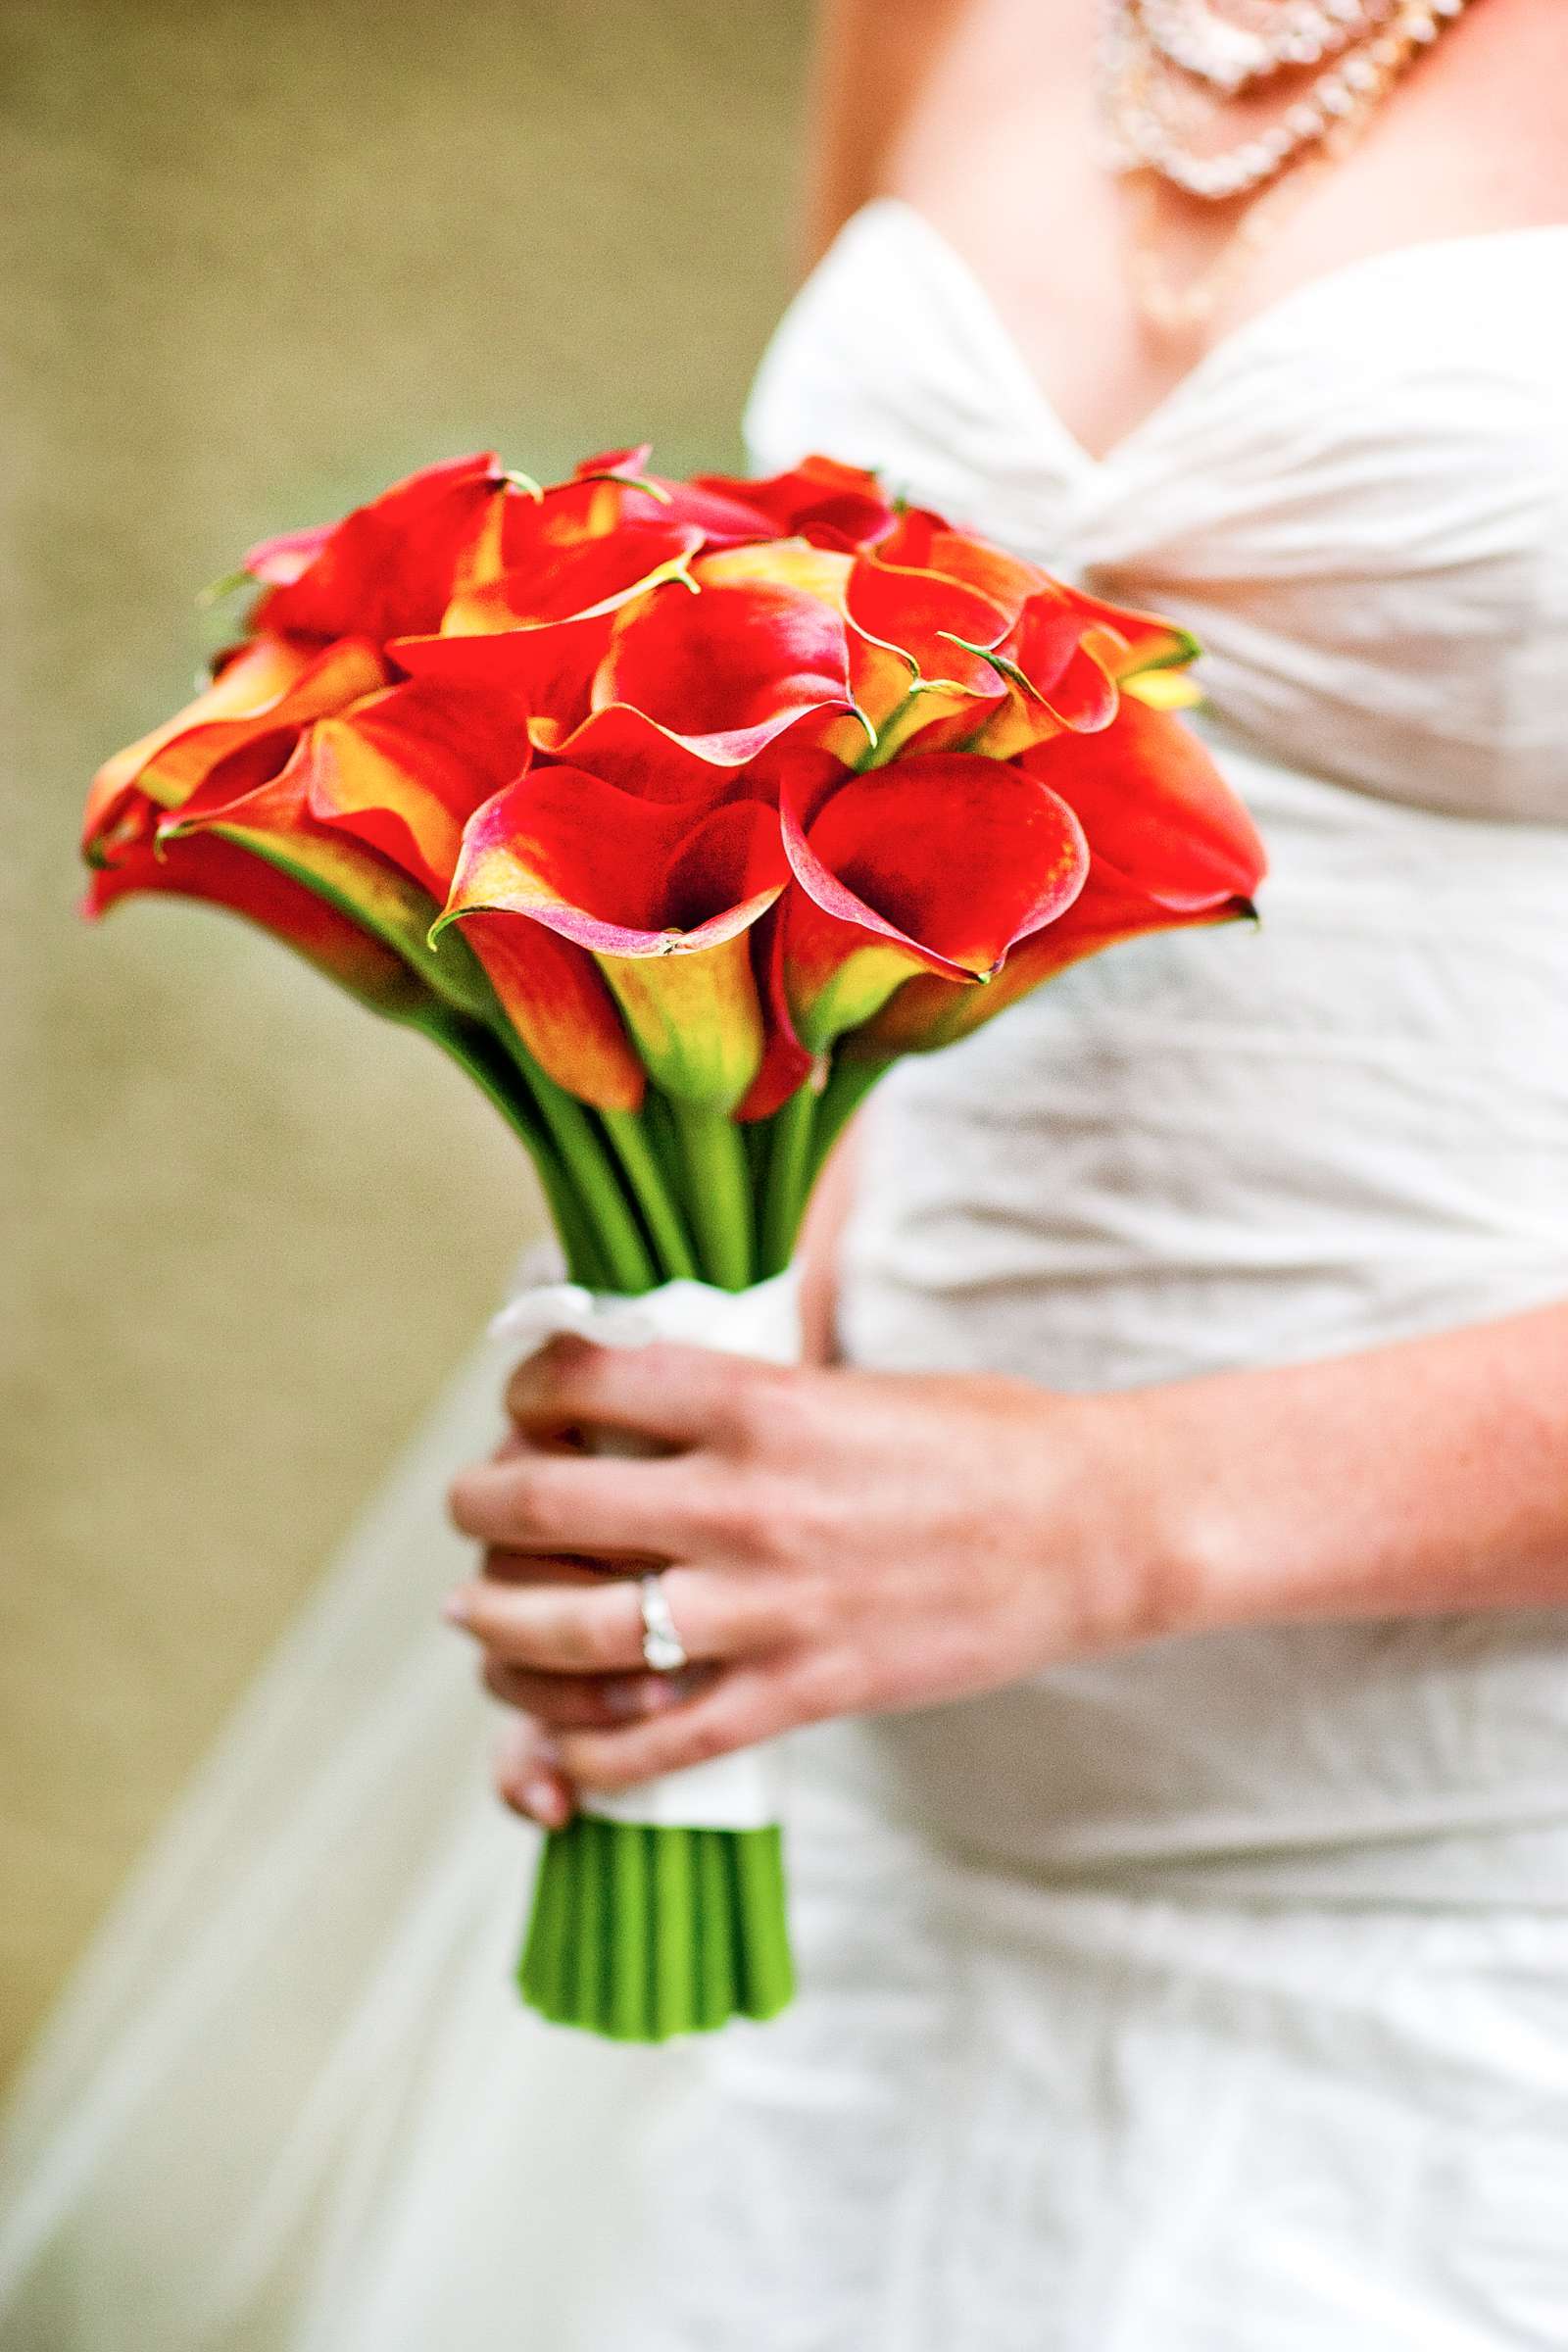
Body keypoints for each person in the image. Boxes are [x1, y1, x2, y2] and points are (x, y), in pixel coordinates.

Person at [5, 1, 1568, 2344]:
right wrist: (723, 1311)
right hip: (879, 1830)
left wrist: (1102, 1514)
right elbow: (836, 756)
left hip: (1475, 1903)